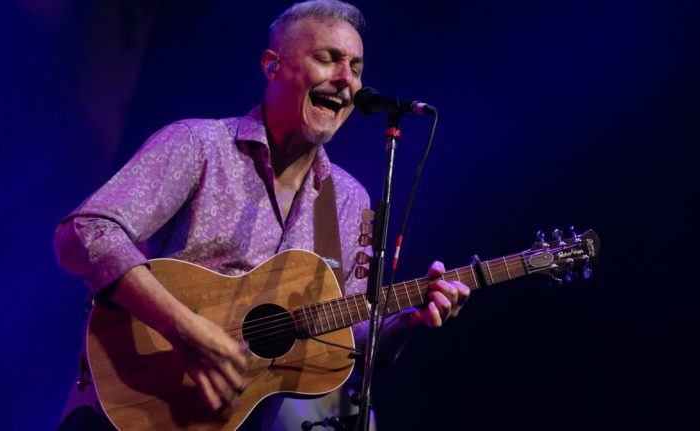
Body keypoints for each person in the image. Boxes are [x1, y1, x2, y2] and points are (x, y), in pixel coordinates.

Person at [54, 1, 470, 429]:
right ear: (273, 66)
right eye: (327, 58)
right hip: (129, 406)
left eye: (356, 67)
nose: (346, 78)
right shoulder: (200, 145)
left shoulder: (347, 200)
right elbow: (85, 231)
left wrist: (406, 321)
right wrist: (185, 329)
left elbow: (350, 344)